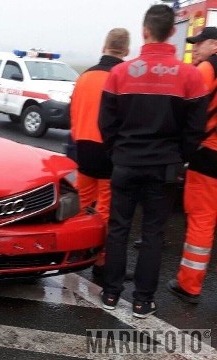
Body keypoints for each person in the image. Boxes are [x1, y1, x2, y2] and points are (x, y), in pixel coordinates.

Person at [99, 4, 208, 319]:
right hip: (164, 167)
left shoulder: (119, 73)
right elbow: (195, 129)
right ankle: (142, 301)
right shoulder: (190, 76)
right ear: (173, 33)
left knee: (118, 229)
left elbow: (106, 125)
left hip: (125, 163)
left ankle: (110, 292)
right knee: (153, 233)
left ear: (144, 31)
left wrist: (117, 153)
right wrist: (179, 157)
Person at [69, 28, 130, 278]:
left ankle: (74, 252)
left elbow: (69, 112)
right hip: (109, 151)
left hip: (82, 149)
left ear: (104, 47)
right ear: (126, 50)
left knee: (82, 204)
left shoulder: (84, 76)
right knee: (106, 208)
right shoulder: (123, 76)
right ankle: (101, 262)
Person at [167, 27, 217, 304]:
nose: (195, 49)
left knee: (201, 219)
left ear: (214, 44)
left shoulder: (206, 70)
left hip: (208, 157)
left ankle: (189, 284)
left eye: (199, 44)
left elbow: (183, 107)